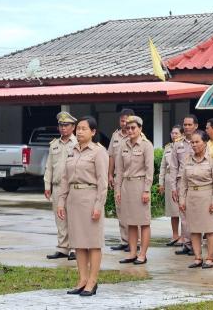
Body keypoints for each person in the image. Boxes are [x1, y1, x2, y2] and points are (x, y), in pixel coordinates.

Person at [57, 116, 108, 296]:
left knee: (93, 242)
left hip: (90, 197)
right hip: (74, 199)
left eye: (84, 129)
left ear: (93, 132)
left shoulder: (98, 152)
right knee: (78, 243)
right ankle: (82, 279)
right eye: (78, 128)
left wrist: (98, 205)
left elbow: (103, 181)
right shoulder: (72, 151)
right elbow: (64, 178)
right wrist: (61, 202)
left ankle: (92, 281)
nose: (79, 131)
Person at [179, 130, 213, 269]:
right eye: (192, 142)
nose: (194, 145)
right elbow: (183, 182)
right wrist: (182, 199)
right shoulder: (187, 159)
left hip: (207, 196)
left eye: (197, 142)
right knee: (194, 229)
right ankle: (197, 257)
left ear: (205, 143)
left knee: (209, 229)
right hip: (192, 197)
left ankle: (209, 258)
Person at [116, 116, 154, 265]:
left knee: (143, 222)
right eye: (128, 128)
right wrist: (118, 190)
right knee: (129, 222)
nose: (130, 131)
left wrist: (146, 190)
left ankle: (142, 254)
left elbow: (149, 170)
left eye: (133, 128)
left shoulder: (146, 145)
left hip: (140, 185)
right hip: (126, 185)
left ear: (140, 129)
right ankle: (132, 252)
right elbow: (119, 170)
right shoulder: (123, 145)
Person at [44, 111, 78, 261]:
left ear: (73, 127)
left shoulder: (77, 143)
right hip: (57, 186)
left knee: (74, 218)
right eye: (61, 125)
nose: (63, 128)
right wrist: (47, 185)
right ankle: (63, 247)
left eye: (67, 125)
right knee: (60, 218)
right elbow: (49, 166)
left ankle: (76, 248)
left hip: (72, 186)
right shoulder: (54, 144)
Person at [170, 114, 199, 256]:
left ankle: (195, 245)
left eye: (189, 124)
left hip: (196, 182)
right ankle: (187, 244)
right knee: (183, 214)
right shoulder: (178, 144)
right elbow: (174, 166)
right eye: (185, 125)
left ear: (196, 126)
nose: (187, 127)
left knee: (195, 214)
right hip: (181, 182)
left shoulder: (200, 141)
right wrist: (173, 187)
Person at [108, 108, 135, 252]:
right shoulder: (115, 136)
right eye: (122, 120)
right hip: (118, 177)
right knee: (121, 209)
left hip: (132, 178)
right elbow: (111, 156)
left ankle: (134, 242)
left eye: (127, 120)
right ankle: (124, 241)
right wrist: (110, 174)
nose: (124, 123)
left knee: (133, 210)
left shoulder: (137, 136)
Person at [158, 125, 183, 246]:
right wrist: (160, 183)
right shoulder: (167, 148)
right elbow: (163, 166)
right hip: (169, 179)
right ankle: (175, 235)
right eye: (172, 133)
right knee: (173, 210)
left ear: (182, 135)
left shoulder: (184, 146)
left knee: (183, 209)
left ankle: (184, 236)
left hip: (181, 179)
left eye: (177, 133)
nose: (174, 135)